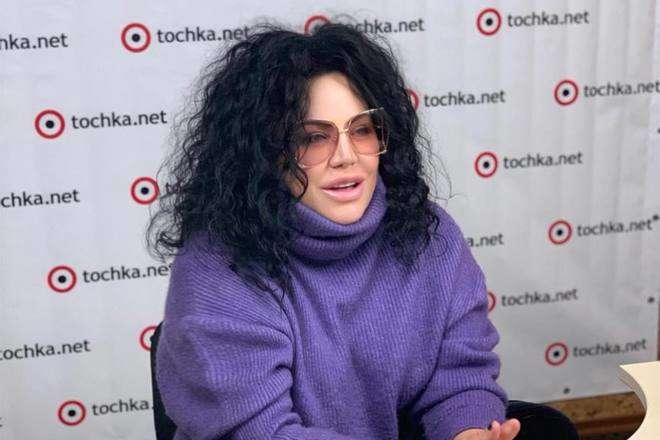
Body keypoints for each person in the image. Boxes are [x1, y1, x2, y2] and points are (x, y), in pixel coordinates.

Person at [147, 20, 576, 440]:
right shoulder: (218, 266)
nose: (346, 156)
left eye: (362, 130)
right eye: (313, 138)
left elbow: (459, 375)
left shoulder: (429, 234)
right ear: (264, 152)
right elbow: (260, 432)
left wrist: (467, 431)